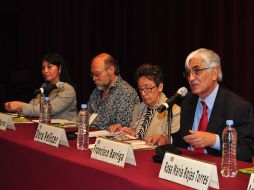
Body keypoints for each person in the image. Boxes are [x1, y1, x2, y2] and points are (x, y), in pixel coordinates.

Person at [172, 48, 254, 162]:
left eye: (197, 71)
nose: (191, 78)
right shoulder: (188, 100)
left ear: (214, 73)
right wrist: (167, 139)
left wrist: (215, 141)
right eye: (188, 73)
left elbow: (246, 151)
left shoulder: (239, 107)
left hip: (218, 171)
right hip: (189, 167)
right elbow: (185, 137)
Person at [109, 64, 181, 146]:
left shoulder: (174, 110)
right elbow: (136, 135)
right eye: (141, 89)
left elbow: (171, 142)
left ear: (160, 87)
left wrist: (163, 139)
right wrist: (126, 132)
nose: (143, 93)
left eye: (148, 88)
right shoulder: (138, 108)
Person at [4, 52, 78, 121]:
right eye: (43, 68)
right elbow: (33, 105)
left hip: (66, 132)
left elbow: (47, 110)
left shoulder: (67, 89)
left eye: (49, 67)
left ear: (60, 68)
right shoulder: (45, 86)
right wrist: (17, 108)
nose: (45, 71)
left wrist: (21, 106)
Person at [87, 53, 140, 130]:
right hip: (90, 137)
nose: (94, 78)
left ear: (111, 70)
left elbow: (122, 130)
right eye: (92, 74)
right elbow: (86, 118)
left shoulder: (126, 92)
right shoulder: (96, 91)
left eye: (97, 74)